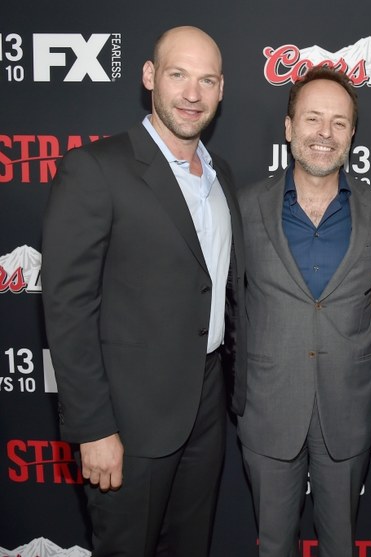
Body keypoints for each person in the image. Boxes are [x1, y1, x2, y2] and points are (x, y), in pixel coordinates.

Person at [41, 26, 245, 556]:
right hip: (128, 420)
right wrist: (94, 430)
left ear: (222, 90)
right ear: (150, 77)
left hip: (205, 404)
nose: (192, 94)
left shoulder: (220, 173)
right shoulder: (96, 169)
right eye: (178, 75)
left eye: (207, 80)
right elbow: (67, 309)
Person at [236, 66, 371, 557]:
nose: (324, 134)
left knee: (341, 545)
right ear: (289, 128)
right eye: (312, 119)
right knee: (274, 546)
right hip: (268, 407)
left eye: (339, 122)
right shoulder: (243, 206)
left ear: (352, 134)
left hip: (346, 407)